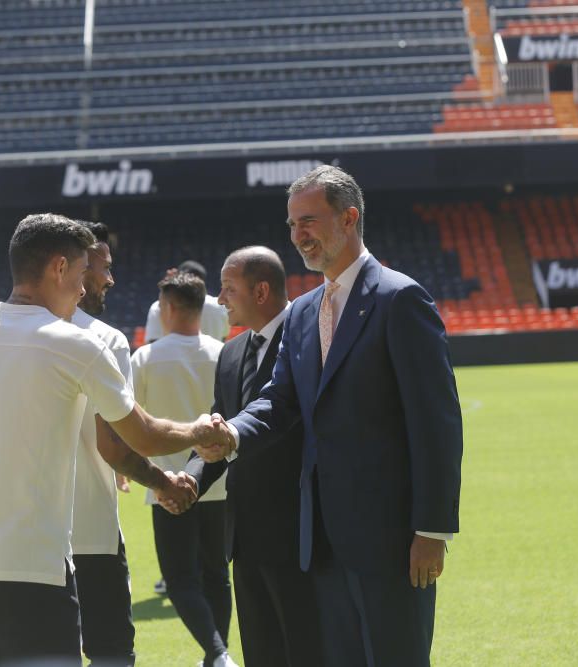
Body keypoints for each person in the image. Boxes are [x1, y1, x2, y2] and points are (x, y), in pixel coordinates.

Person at [0, 213, 229, 666]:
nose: (83, 288)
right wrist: (201, 430)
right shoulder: (76, 344)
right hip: (36, 570)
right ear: (58, 268)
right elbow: (144, 435)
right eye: (80, 273)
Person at [196, 166, 464, 667]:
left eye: (310, 221)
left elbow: (438, 423)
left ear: (350, 217)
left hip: (390, 541)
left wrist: (432, 529)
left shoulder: (400, 299)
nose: (299, 235)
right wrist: (232, 432)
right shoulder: (301, 312)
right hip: (316, 541)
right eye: (293, 224)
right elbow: (279, 400)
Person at [186, 246, 323, 667]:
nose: (220, 299)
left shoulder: (311, 339)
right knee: (261, 655)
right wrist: (190, 479)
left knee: (308, 652)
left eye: (228, 288)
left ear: (260, 290)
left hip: (301, 538)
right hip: (244, 540)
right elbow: (221, 431)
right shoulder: (229, 353)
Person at [132, 272, 236, 667]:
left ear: (169, 308)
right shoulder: (224, 352)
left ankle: (217, 653)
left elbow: (130, 422)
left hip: (167, 484)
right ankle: (217, 655)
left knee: (179, 578)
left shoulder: (144, 357)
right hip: (219, 480)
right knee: (215, 574)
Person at [69, 220, 138, 666]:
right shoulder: (104, 339)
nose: (110, 279)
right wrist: (163, 480)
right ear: (71, 265)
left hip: (10, 537)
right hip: (89, 531)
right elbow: (116, 442)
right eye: (102, 267)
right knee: (112, 654)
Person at [144, 260, 230, 343]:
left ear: (179, 279)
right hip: (213, 356)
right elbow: (223, 338)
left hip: (169, 357)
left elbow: (152, 344)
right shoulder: (221, 306)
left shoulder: (158, 306)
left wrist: (167, 291)